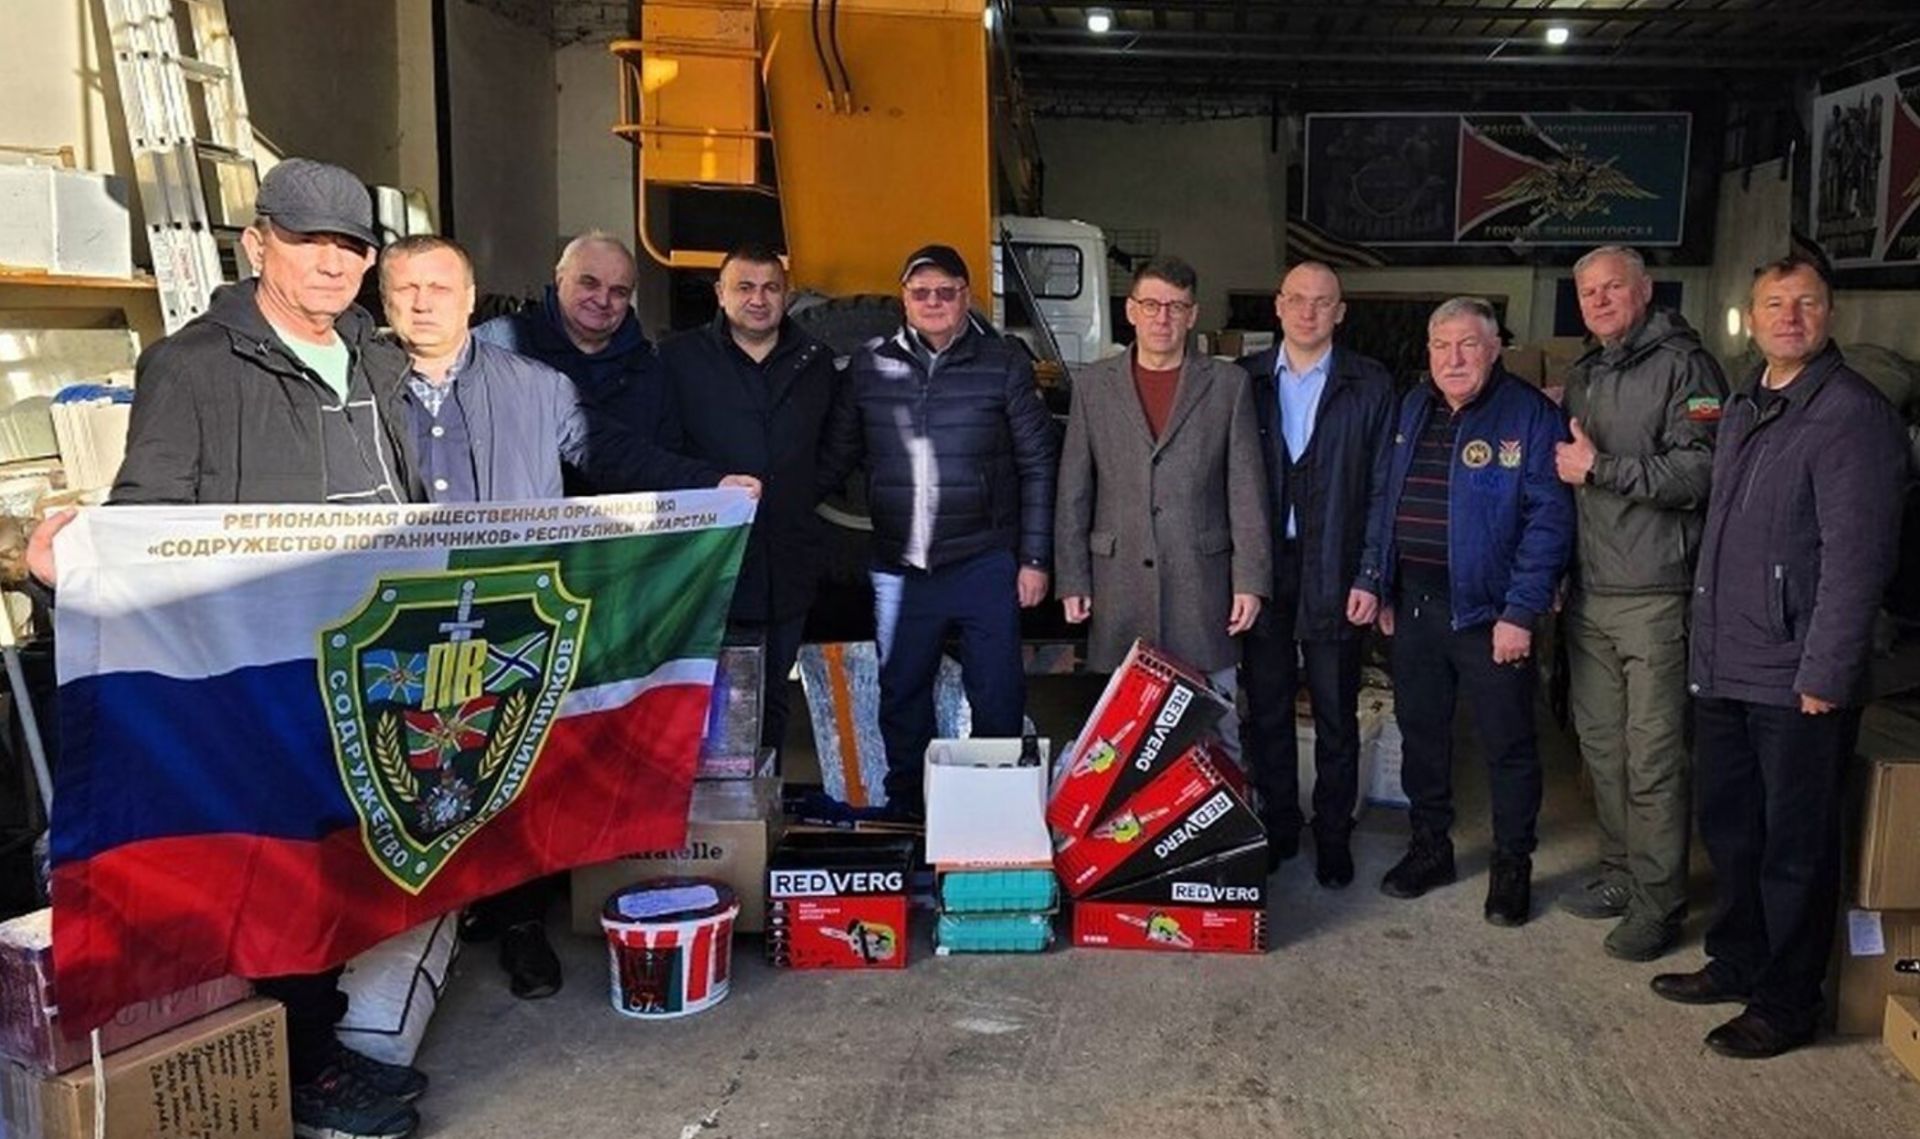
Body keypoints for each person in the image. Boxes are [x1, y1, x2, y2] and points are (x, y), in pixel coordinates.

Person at [109, 158, 427, 1139]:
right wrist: (68, 569)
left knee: (341, 861)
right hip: (265, 665)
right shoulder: (193, 366)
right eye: (308, 241)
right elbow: (144, 521)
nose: (333, 263)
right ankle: (293, 1072)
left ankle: (315, 1038)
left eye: (351, 247)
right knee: (280, 870)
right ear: (258, 244)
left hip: (369, 654)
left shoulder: (376, 358)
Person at [381, 234, 760, 1002]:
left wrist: (706, 487)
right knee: (415, 765)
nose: (424, 305)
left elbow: (611, 453)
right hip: (397, 619)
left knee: (511, 759)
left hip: (508, 607)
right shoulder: (356, 387)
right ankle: (435, 916)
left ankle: (520, 920)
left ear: (469, 296)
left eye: (441, 290)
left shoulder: (536, 385)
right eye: (409, 290)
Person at [1652, 256, 1906, 1059]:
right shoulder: (1744, 402)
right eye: (1774, 303)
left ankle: (1788, 1001)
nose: (1789, 317)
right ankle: (1737, 960)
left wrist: (1825, 672)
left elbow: (1857, 559)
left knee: (1794, 847)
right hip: (1728, 663)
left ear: (1830, 314)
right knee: (1733, 830)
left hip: (1797, 676)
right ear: (1751, 316)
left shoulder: (1851, 415)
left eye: (1805, 303)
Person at [817, 244, 1058, 817]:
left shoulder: (1004, 364)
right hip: (900, 569)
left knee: (997, 696)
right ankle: (911, 813)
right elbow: (833, 460)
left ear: (964, 297)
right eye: (920, 292)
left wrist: (1034, 559)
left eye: (945, 292)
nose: (933, 302)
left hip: (984, 562)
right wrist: (765, 501)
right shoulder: (869, 366)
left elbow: (1038, 462)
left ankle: (995, 814)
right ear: (903, 298)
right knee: (901, 696)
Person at [1367, 296, 1574, 927]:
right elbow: (1386, 497)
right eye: (1441, 346)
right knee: (1422, 734)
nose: (1453, 359)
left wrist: (1521, 611)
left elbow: (1549, 519)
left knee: (1507, 743)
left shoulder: (1530, 414)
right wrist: (1379, 581)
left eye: (1468, 345)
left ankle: (1512, 863)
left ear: (1494, 349)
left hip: (1492, 613)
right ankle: (1430, 847)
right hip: (1416, 604)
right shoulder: (1412, 406)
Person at [1554, 245, 1728, 961]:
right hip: (1589, 590)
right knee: (1602, 748)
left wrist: (1602, 468)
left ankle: (1660, 902)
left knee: (1653, 755)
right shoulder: (1586, 373)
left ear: (1645, 289)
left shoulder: (1688, 367)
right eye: (1587, 292)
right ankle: (1621, 873)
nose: (1598, 301)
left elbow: (1703, 470)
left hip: (1655, 592)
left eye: (1612, 288)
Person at [1055, 254, 1268, 760]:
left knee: (1215, 729)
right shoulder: (1093, 385)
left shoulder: (1228, 386)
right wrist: (1073, 577)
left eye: (1176, 306)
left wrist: (1251, 580)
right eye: (1151, 305)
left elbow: (1245, 488)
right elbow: (1074, 489)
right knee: (1122, 739)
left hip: (1203, 584)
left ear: (1193, 315)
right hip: (1118, 584)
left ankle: (1220, 811)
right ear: (1131, 310)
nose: (1162, 317)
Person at [1236, 261, 1395, 884]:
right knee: (1267, 708)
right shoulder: (1243, 382)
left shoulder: (1370, 385)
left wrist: (1370, 574)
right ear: (1278, 306)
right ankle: (1279, 825)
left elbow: (1383, 489)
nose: (1308, 312)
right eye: (1297, 299)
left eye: (1322, 301)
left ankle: (1333, 834)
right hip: (1264, 570)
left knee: (1334, 712)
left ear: (1340, 312)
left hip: (1337, 567)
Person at [656, 243, 838, 758]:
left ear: (787, 296)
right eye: (745, 287)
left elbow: (836, 442)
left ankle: (765, 797)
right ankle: (706, 804)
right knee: (709, 703)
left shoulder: (815, 361)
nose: (758, 299)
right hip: (709, 566)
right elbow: (660, 449)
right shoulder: (677, 360)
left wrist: (801, 490)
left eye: (770, 288)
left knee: (773, 697)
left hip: (786, 561)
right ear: (720, 293)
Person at [473, 230, 702, 492]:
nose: (603, 300)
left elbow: (667, 467)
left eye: (618, 292)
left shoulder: (651, 370)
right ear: (559, 279)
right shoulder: (497, 347)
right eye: (589, 283)